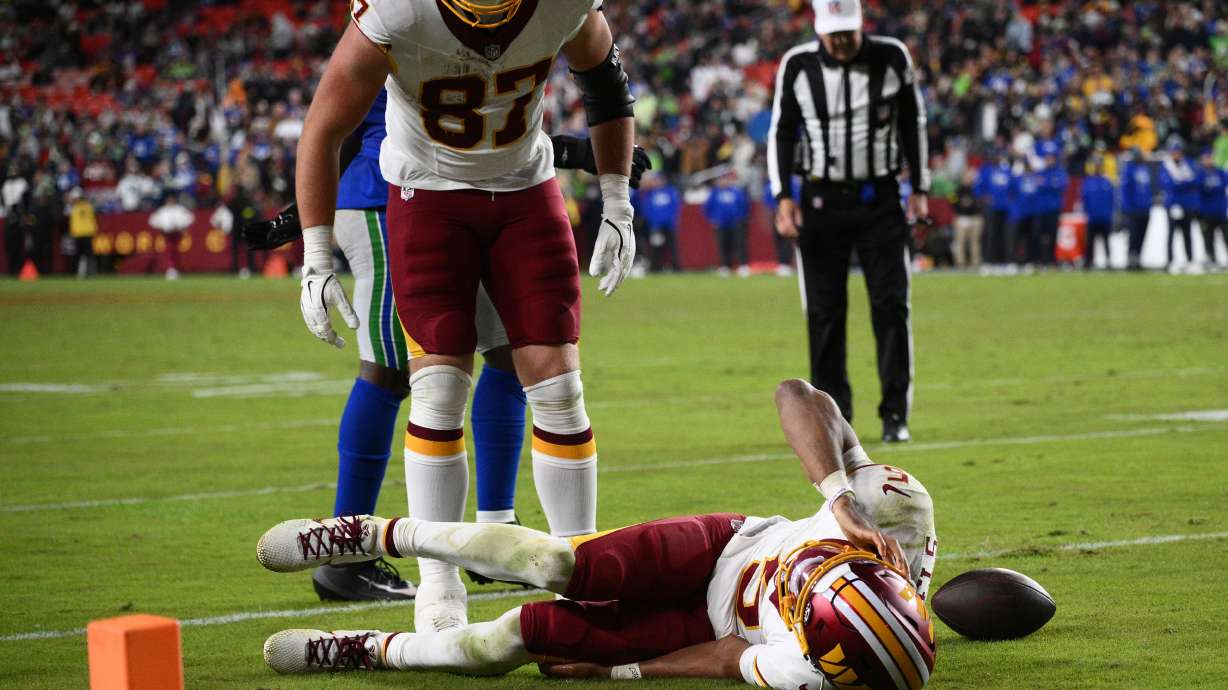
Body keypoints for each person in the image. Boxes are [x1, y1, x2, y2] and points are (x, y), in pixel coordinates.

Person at [293, 0, 637, 632]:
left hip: (524, 192)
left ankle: (581, 579)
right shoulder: (399, 11)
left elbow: (606, 85)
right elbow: (324, 125)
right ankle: (440, 586)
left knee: (559, 388)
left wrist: (617, 200)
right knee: (438, 386)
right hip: (427, 194)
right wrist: (316, 254)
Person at [257, 379, 937, 689]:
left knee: (524, 636)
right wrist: (840, 495)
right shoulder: (894, 521)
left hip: (703, 626)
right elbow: (797, 394)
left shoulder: (820, 670)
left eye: (796, 602)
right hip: (726, 546)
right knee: (557, 562)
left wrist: (619, 668)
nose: (795, 582)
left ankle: (365, 651)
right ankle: (374, 533)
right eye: (812, 571)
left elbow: (728, 658)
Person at [244, 117, 648, 602]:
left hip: (472, 196)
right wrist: (303, 218)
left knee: (507, 354)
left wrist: (571, 152)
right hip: (388, 196)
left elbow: (482, 117)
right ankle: (346, 554)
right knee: (392, 371)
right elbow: (344, 123)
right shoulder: (390, 39)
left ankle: (496, 530)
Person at [769, 0, 929, 443]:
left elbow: (913, 123)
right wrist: (784, 196)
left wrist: (920, 187)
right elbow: (782, 131)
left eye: (848, 32)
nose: (840, 42)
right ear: (819, 28)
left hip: (879, 199)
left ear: (861, 25)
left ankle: (895, 414)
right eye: (832, 33)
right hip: (820, 203)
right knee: (824, 313)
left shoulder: (891, 56)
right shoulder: (798, 65)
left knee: (891, 306)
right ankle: (834, 420)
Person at [1159, 142, 1199, 270]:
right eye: (1174, 152)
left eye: (1178, 152)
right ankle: (1170, 261)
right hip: (1173, 205)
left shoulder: (1188, 164)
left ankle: (1190, 260)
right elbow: (1169, 185)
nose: (1176, 155)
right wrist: (1184, 183)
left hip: (1187, 205)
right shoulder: (1166, 166)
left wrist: (1180, 183)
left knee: (1187, 234)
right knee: (1171, 234)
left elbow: (1195, 181)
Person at [705, 170, 751, 276]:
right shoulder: (714, 193)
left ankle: (743, 266)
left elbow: (744, 205)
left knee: (739, 244)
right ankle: (725, 266)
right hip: (721, 224)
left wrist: (741, 218)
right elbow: (707, 208)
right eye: (721, 179)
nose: (723, 181)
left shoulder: (736, 191)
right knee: (722, 245)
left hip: (735, 223)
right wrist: (712, 219)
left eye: (725, 179)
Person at [974, 152, 1014, 267]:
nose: (996, 157)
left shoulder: (1006, 170)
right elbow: (977, 188)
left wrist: (1010, 199)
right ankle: (988, 261)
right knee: (990, 234)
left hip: (1005, 208)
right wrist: (983, 198)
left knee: (1004, 235)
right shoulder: (985, 170)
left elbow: (1013, 187)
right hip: (991, 208)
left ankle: (1004, 261)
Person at [637, 172, 681, 272]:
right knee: (656, 247)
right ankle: (656, 268)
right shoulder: (649, 193)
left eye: (659, 180)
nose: (657, 182)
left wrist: (671, 221)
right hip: (656, 227)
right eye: (655, 180)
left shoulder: (670, 191)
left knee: (672, 247)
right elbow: (646, 209)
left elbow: (675, 207)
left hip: (669, 226)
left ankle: (676, 267)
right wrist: (653, 223)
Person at [1119, 149, 1154, 270]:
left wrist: (1149, 205)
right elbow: (1125, 192)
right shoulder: (1128, 170)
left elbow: (1148, 190)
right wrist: (1127, 209)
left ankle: (1138, 258)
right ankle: (1131, 259)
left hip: (1145, 209)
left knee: (1142, 235)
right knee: (1133, 236)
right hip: (1133, 210)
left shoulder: (1145, 169)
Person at [1080, 155, 1116, 269]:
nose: (1097, 167)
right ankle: (1088, 262)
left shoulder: (1107, 181)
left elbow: (1112, 200)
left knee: (1106, 241)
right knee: (1090, 242)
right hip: (1092, 217)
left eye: (1099, 165)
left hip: (1105, 217)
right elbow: (1084, 199)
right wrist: (1086, 213)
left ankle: (1108, 261)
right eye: (1096, 165)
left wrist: (1110, 214)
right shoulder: (1088, 181)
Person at [149, 192, 193, 280]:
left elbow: (189, 218)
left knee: (175, 251)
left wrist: (181, 227)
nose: (170, 201)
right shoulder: (162, 210)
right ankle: (170, 269)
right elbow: (153, 221)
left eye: (172, 200)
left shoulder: (179, 209)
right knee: (168, 251)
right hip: (167, 234)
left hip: (177, 233)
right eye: (169, 200)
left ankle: (175, 269)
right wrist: (161, 228)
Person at [1036, 153, 1068, 266]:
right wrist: (1051, 185)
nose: (1049, 161)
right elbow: (1037, 186)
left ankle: (1052, 259)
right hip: (1041, 209)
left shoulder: (1059, 172)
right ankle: (1041, 259)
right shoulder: (1040, 172)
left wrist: (1046, 184)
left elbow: (1062, 186)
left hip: (1054, 209)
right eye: (1047, 159)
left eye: (1051, 159)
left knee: (1053, 235)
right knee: (1041, 236)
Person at [1197, 150, 1226, 269]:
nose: (1208, 160)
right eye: (1206, 158)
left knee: (1226, 236)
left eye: (1210, 158)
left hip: (1220, 211)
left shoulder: (1220, 172)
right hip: (1206, 212)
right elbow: (1199, 188)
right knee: (1208, 238)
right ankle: (1212, 260)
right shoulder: (1200, 174)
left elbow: (1222, 185)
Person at [951, 170, 982, 269]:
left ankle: (975, 262)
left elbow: (981, 201)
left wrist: (973, 205)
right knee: (960, 241)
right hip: (962, 217)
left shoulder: (976, 189)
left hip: (974, 217)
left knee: (975, 241)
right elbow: (952, 201)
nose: (969, 179)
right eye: (968, 176)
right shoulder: (958, 190)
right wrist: (960, 208)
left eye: (971, 177)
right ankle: (960, 263)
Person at [66, 188, 97, 279]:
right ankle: (86, 273)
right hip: (83, 233)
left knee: (83, 255)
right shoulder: (87, 206)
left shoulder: (76, 207)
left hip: (82, 233)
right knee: (85, 255)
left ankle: (85, 273)